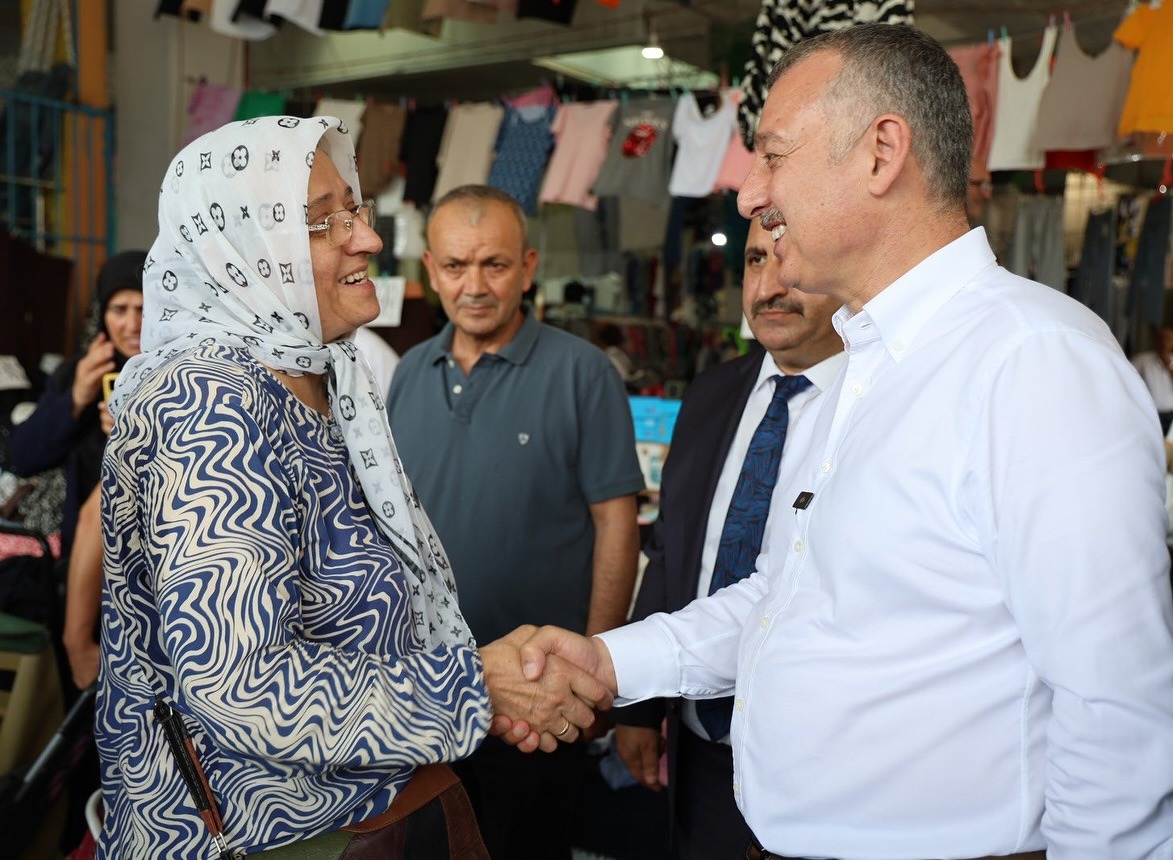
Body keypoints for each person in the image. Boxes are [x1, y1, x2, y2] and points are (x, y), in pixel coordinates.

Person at [508, 23, 1173, 859]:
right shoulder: (866, 363)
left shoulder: (1032, 362)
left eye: (773, 156)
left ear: (880, 153)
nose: (749, 194)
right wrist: (609, 663)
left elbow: (1116, 705)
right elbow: (787, 596)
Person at [96, 117, 609, 859]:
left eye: (353, 209)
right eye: (320, 222)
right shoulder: (208, 404)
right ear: (242, 251)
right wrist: (476, 686)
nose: (365, 238)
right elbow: (243, 687)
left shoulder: (322, 377)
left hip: (363, 816)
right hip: (256, 838)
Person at [385, 184, 644, 860]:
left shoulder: (583, 372)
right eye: (455, 265)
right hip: (431, 692)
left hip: (539, 695)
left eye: (494, 264)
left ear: (528, 267)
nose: (474, 286)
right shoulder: (408, 374)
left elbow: (617, 526)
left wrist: (599, 665)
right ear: (430, 270)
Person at [613, 217, 844, 859]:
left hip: (816, 762)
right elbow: (670, 552)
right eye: (755, 260)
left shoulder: (874, 406)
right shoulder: (714, 393)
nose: (770, 287)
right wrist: (639, 709)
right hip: (699, 750)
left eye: (793, 261)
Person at [7, 250, 146, 553]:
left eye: (144, 309)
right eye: (119, 310)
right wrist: (77, 398)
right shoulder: (79, 373)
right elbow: (24, 456)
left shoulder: (181, 375)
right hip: (82, 551)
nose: (133, 324)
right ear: (102, 314)